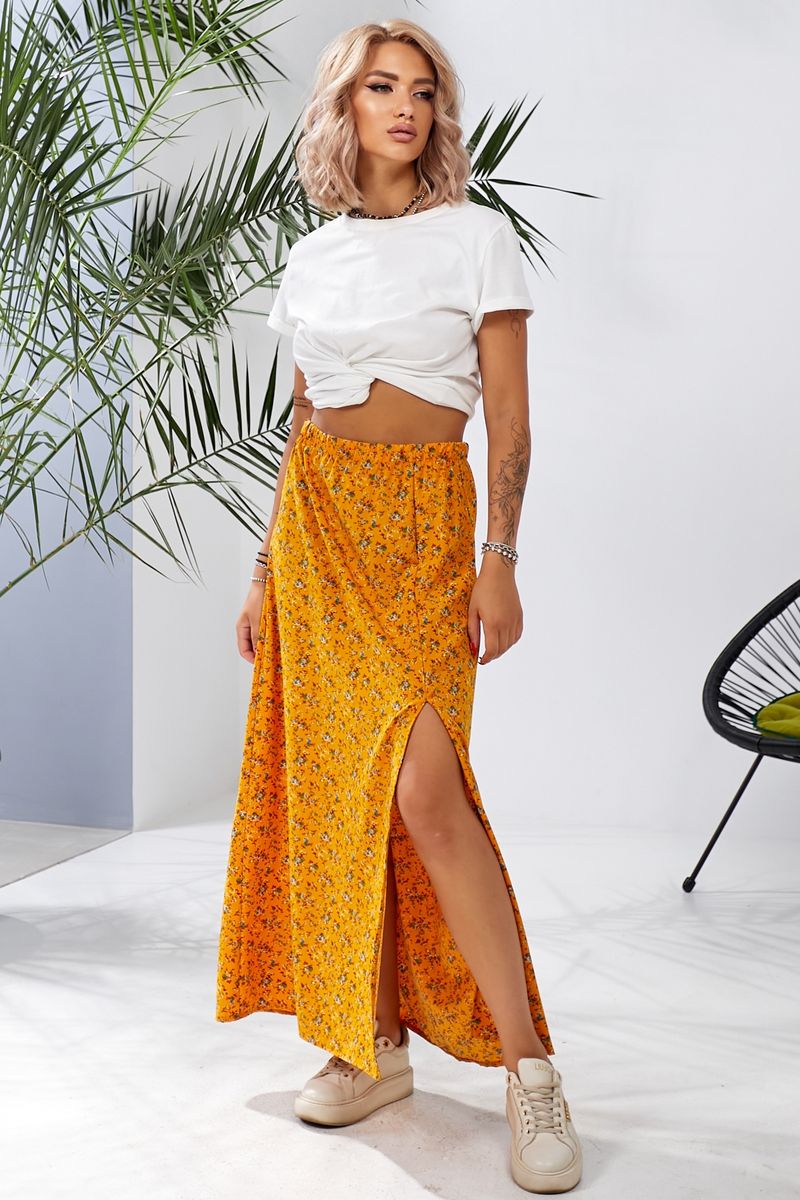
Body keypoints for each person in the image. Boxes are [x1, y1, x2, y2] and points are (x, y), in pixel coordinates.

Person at [216, 17, 583, 1195]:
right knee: (348, 800)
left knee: (425, 790)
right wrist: (263, 572)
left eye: (422, 90)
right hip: (318, 534)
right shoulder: (312, 257)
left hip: (425, 528)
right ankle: (370, 1047)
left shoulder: (477, 237)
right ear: (345, 106)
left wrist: (500, 557)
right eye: (382, 87)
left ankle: (530, 1073)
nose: (405, 107)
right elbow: (300, 424)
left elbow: (509, 421)